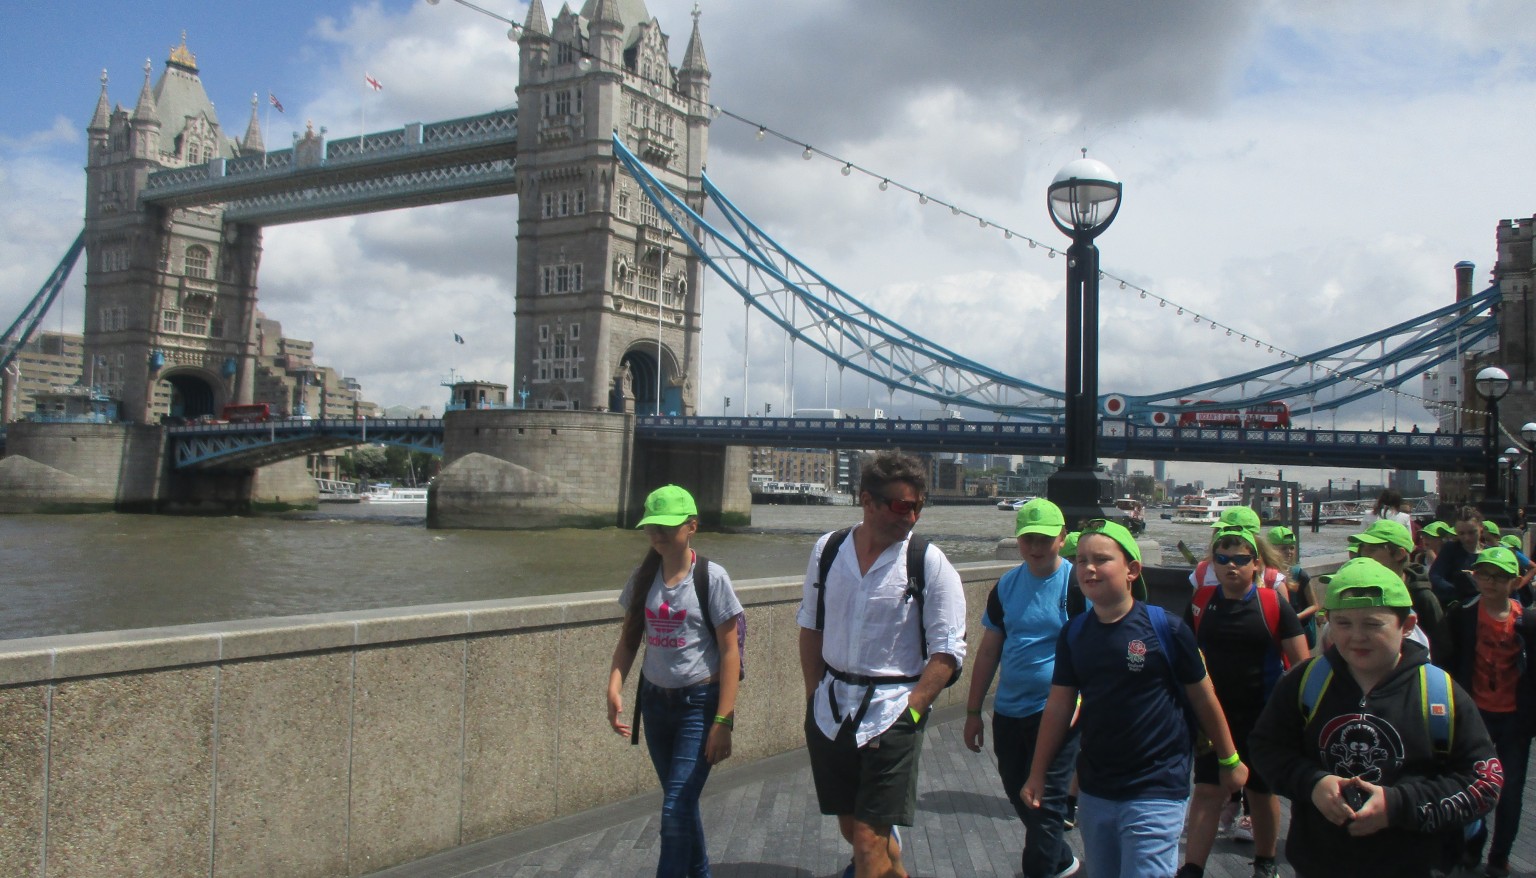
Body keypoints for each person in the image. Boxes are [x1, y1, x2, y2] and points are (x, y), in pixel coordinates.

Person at [1248, 558, 1502, 878]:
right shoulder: (1305, 683)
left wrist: (1397, 805)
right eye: (1343, 623)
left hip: (1416, 865)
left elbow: (1485, 782)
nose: (1357, 636)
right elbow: (1265, 747)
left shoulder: (1440, 694)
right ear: (1327, 622)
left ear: (1407, 625)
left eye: (1372, 624)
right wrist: (1312, 783)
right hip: (1320, 864)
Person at [1023, 520, 1247, 878]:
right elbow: (1059, 706)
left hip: (1157, 787)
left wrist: (1229, 759)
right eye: (1081, 560)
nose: (1089, 568)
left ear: (1132, 570)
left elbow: (1204, 698)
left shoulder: (1167, 629)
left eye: (1101, 559)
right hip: (1097, 789)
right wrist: (1038, 773)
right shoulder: (1074, 634)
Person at [798, 450, 967, 878]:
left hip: (892, 712)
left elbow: (948, 651)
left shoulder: (928, 562)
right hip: (831, 710)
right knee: (852, 826)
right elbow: (811, 627)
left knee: (868, 839)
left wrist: (912, 712)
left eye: (918, 507)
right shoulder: (828, 550)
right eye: (901, 506)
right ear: (866, 501)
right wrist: (813, 695)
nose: (912, 517)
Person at [607, 484, 744, 878]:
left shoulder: (712, 578)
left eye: (667, 526)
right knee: (679, 804)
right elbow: (629, 639)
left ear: (692, 526)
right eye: (652, 526)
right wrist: (614, 685)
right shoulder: (643, 577)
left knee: (674, 809)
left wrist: (723, 721)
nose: (657, 534)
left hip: (698, 705)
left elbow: (730, 652)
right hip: (654, 704)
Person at [1177, 527, 1310, 878]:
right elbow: (1184, 654)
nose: (1230, 566)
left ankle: (1265, 862)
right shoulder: (1201, 601)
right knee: (1207, 789)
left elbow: (1302, 665)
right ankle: (1192, 868)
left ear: (1256, 564)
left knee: (1259, 791)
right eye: (1222, 559)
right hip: (1212, 715)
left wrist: (1296, 717)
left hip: (1261, 716)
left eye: (1240, 559)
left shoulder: (1272, 604)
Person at [964, 499, 1083, 878]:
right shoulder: (1006, 587)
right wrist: (973, 711)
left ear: (1062, 538)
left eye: (1044, 539)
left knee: (1046, 805)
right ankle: (1064, 863)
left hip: (1058, 712)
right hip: (1009, 712)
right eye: (1028, 538)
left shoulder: (1077, 585)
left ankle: (1041, 869)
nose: (1035, 547)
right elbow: (988, 651)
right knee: (1018, 791)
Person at [1443, 546, 1536, 878]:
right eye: (1484, 574)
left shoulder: (1527, 621)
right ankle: (1470, 847)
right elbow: (1448, 660)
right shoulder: (1462, 615)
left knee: (1510, 790)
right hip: (1474, 715)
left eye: (1500, 577)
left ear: (1514, 581)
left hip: (1515, 718)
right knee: (1468, 785)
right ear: (1476, 577)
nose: (1491, 582)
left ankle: (1500, 856)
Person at [1351, 519, 1448, 663]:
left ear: (1399, 554)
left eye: (1372, 549)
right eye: (1362, 548)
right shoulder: (1358, 591)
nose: (1363, 555)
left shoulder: (1422, 597)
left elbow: (1442, 648)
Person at [1269, 525, 1319, 647]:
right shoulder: (1264, 574)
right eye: (1283, 548)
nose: (1289, 552)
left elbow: (1314, 605)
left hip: (1297, 632)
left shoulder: (1299, 574)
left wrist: (1295, 617)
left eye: (1291, 548)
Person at [1429, 507, 1485, 608]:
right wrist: (1457, 590)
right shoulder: (1450, 549)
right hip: (1457, 604)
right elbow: (1435, 576)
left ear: (1481, 527)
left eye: (1472, 532)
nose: (1467, 538)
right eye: (1461, 533)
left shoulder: (1488, 552)